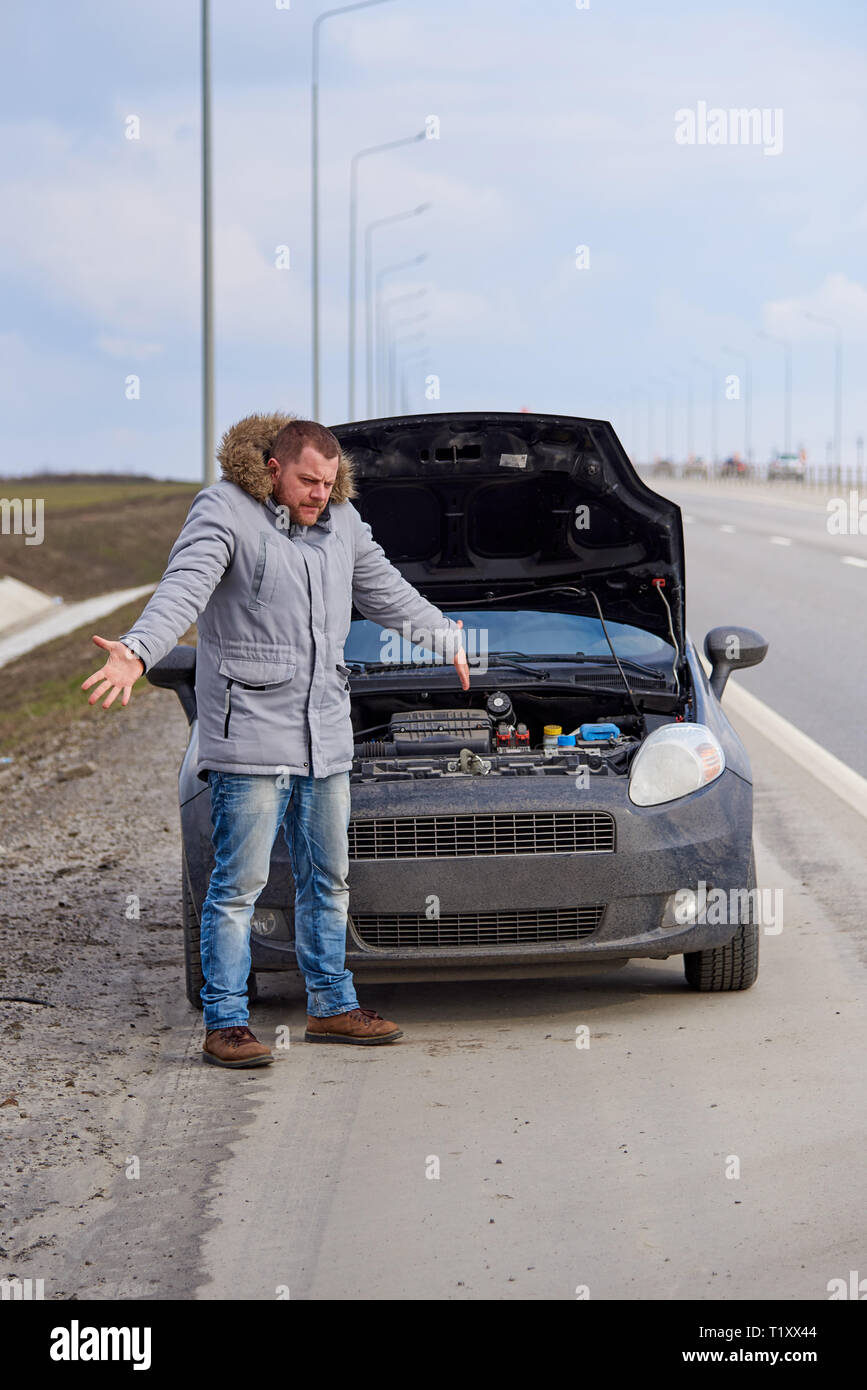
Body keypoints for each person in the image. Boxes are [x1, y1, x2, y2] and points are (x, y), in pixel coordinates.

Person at [82, 413, 470, 1069]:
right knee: (238, 888)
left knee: (329, 880)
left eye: (328, 480)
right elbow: (183, 588)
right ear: (272, 468)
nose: (319, 492)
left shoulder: (342, 521)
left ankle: (331, 1006)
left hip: (324, 734)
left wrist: (444, 634)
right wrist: (138, 651)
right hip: (251, 735)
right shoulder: (225, 510)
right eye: (307, 481)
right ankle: (227, 1022)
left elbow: (384, 591)